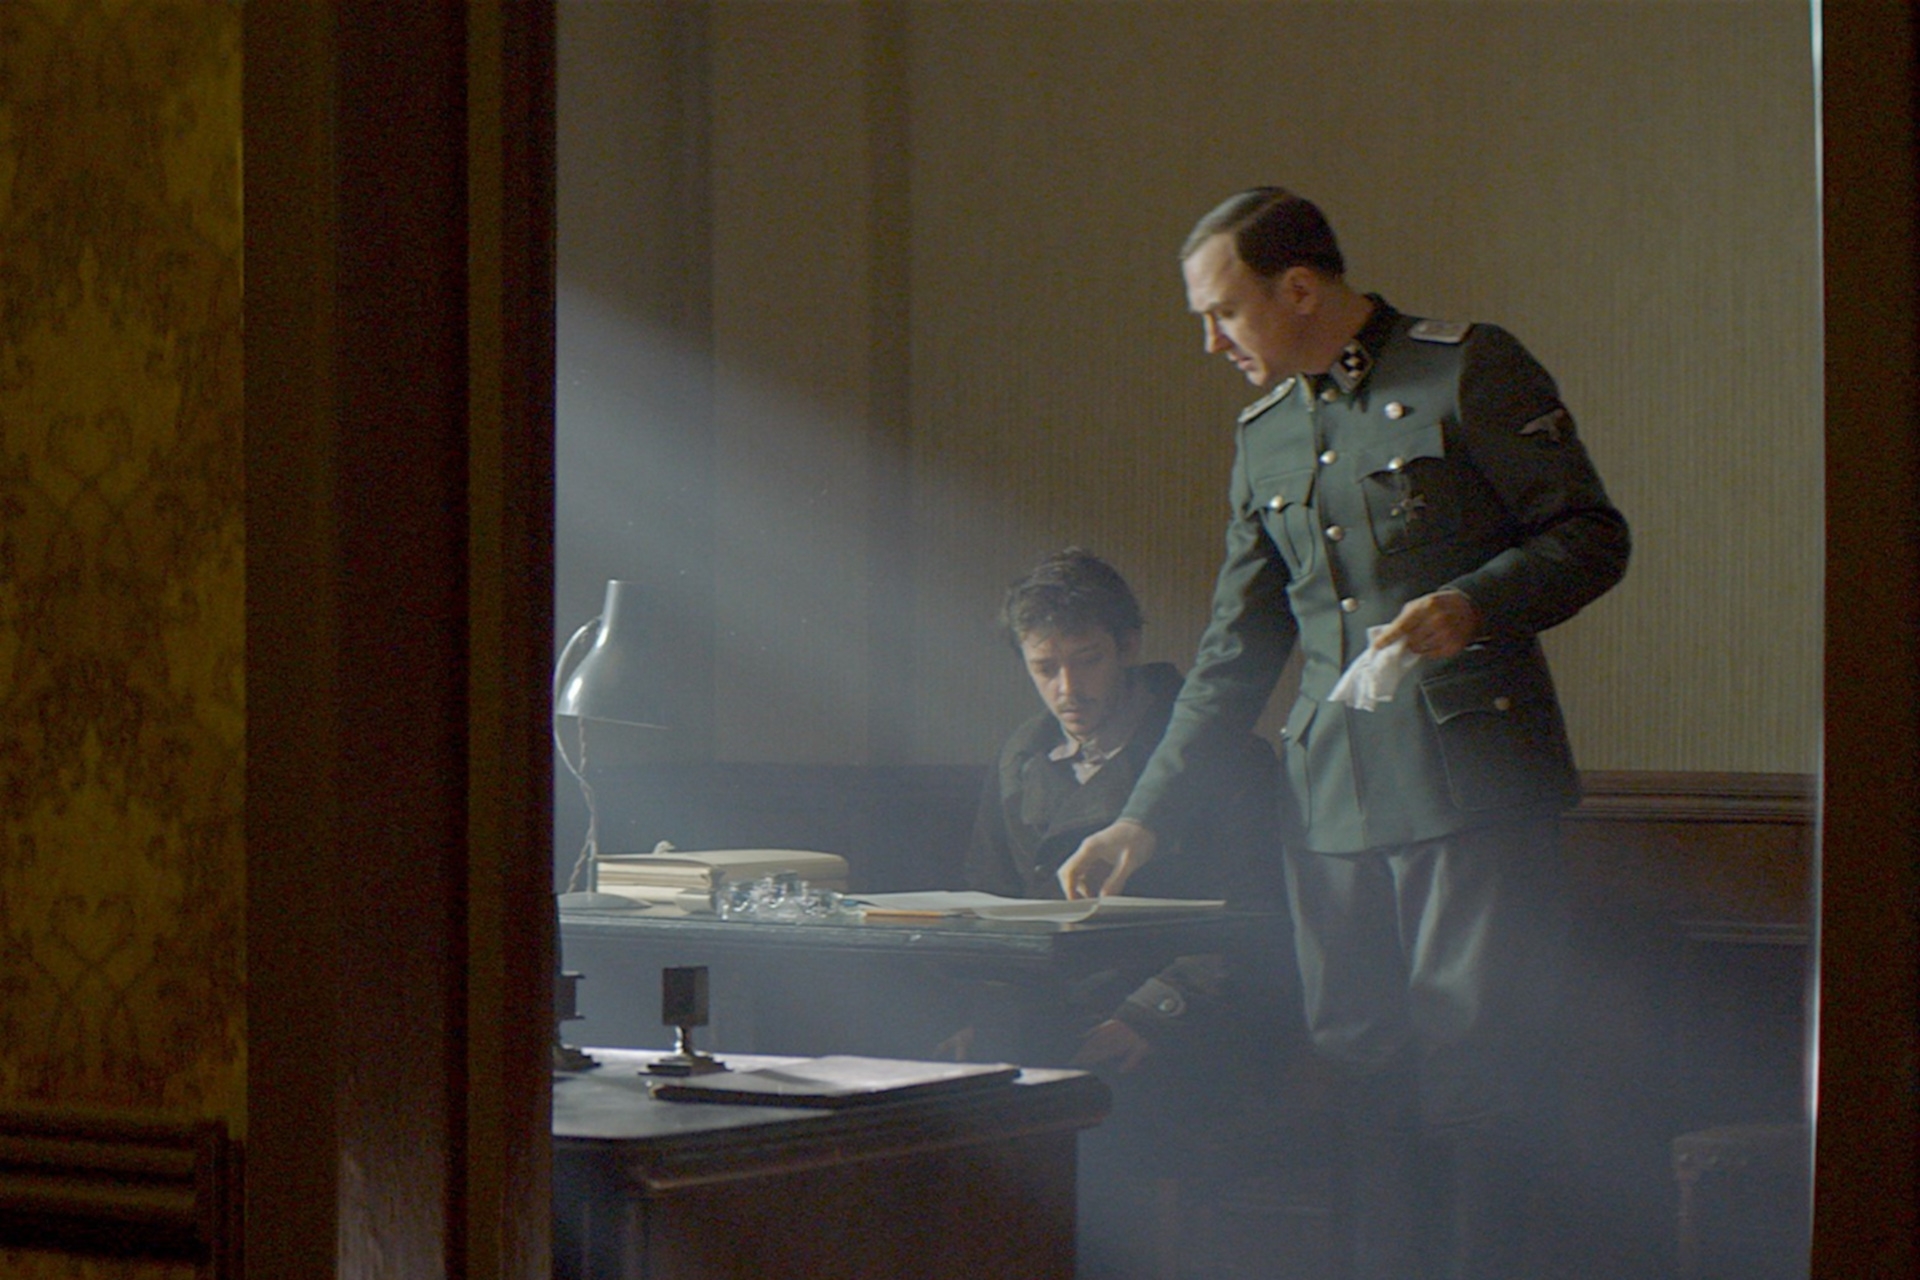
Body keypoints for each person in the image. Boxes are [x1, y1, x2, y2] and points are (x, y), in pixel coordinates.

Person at [1058, 188, 1631, 1280]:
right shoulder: (1268, 431)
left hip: (1470, 784)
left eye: (1224, 312)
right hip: (1330, 802)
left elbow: (1592, 535)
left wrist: (1475, 603)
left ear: (1301, 287)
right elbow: (1237, 646)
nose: (1212, 341)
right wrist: (1143, 817)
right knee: (1361, 1074)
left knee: (1478, 1081)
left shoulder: (1465, 369)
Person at [960, 548, 1311, 1276]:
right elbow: (986, 902)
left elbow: (1257, 923)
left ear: (1129, 648)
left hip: (1194, 1024)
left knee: (1095, 1136)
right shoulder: (1023, 754)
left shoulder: (1222, 760)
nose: (1067, 689)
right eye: (1044, 668)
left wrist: (1152, 1017)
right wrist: (979, 1018)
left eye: (1086, 662)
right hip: (1051, 1017)